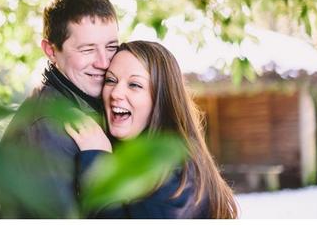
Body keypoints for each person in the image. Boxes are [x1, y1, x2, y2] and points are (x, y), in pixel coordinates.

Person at [65, 41, 239, 218]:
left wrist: (96, 161)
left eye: (134, 85)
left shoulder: (177, 172)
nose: (116, 93)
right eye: (110, 80)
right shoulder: (135, 156)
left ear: (160, 99)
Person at [0, 0, 119, 218]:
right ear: (51, 51)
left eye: (111, 47)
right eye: (87, 49)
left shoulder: (87, 104)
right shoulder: (49, 128)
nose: (104, 62)